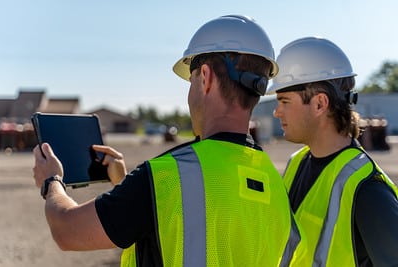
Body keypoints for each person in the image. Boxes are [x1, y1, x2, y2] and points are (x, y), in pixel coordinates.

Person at [33, 15, 305, 266]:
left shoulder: (167, 175)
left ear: (206, 78)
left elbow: (67, 230)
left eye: (191, 80)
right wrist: (123, 183)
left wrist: (52, 182)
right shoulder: (275, 185)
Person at [268, 36, 398, 266]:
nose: (277, 112)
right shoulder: (297, 163)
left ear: (320, 103)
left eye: (284, 101)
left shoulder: (368, 190)